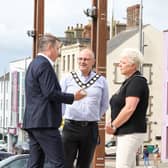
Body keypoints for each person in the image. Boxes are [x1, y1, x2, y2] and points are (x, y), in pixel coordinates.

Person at [22, 33, 86, 168]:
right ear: (50, 48)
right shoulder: (44, 65)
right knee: (59, 163)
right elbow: (50, 93)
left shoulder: (34, 64)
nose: (59, 53)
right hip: (45, 122)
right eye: (58, 49)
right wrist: (73, 97)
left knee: (35, 164)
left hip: (34, 122)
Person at [61, 48, 109, 168]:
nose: (83, 62)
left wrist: (93, 116)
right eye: (80, 59)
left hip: (90, 128)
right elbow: (60, 101)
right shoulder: (68, 78)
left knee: (85, 164)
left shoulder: (101, 81)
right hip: (70, 126)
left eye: (86, 59)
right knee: (65, 164)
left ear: (93, 62)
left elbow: (104, 104)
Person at [106, 48, 149, 168]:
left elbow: (130, 108)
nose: (120, 65)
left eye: (123, 63)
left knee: (122, 165)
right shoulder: (128, 82)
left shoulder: (136, 82)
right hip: (126, 131)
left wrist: (114, 125)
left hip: (131, 131)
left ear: (133, 65)